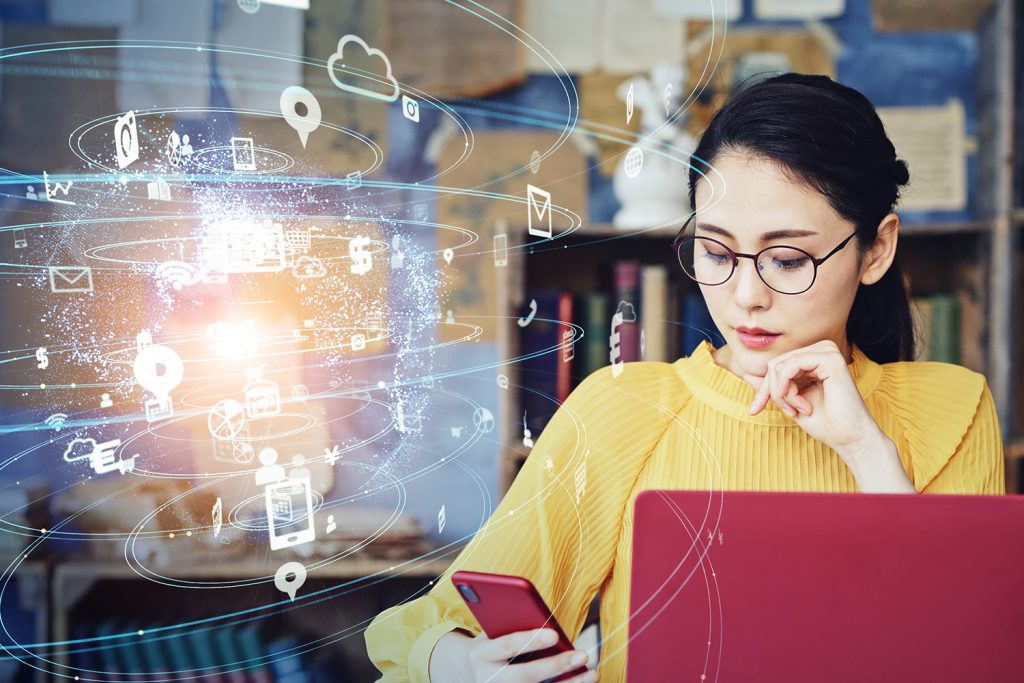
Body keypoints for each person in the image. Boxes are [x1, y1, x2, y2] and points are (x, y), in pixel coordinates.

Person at [363, 73, 1005, 683]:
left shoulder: (952, 411)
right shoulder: (622, 408)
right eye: (717, 251)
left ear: (877, 250)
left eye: (787, 259)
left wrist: (867, 451)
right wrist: (462, 666)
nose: (745, 296)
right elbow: (421, 632)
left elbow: (967, 656)